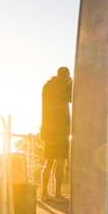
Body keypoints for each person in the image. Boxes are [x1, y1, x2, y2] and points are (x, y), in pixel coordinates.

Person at [40, 66, 72, 200]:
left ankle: (44, 193)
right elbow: (71, 98)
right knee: (60, 162)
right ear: (65, 75)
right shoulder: (64, 86)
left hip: (48, 129)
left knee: (49, 162)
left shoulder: (47, 87)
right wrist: (70, 84)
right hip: (61, 129)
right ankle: (57, 193)